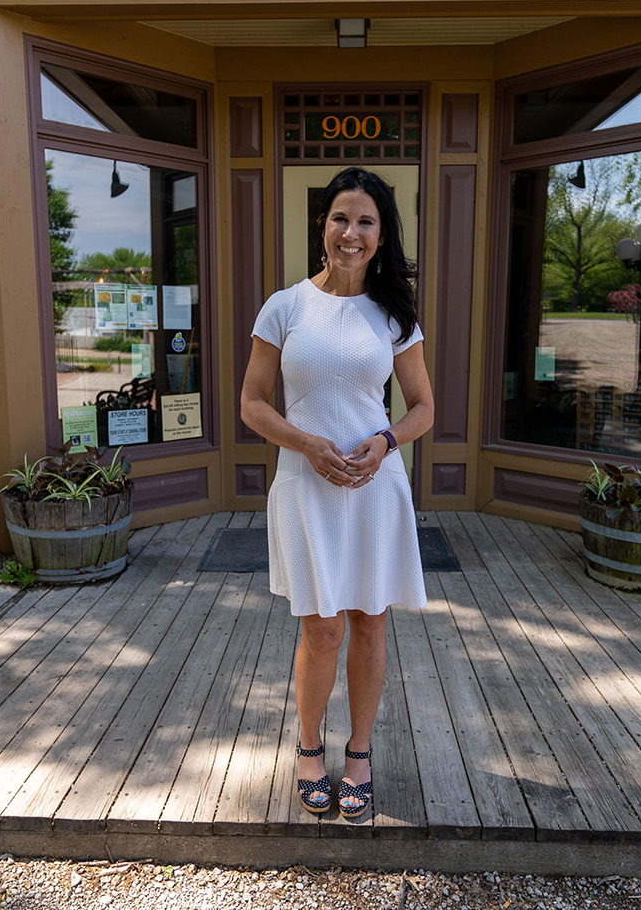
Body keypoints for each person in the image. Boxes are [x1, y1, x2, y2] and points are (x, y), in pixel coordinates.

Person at [240, 166, 434, 820]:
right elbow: (251, 403)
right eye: (340, 218)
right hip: (306, 485)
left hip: (374, 488)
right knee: (321, 628)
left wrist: (385, 441)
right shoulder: (285, 306)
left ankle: (359, 751)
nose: (351, 233)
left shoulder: (394, 314)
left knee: (370, 622)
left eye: (366, 221)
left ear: (381, 235)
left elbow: (424, 407)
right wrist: (305, 443)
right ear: (323, 226)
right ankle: (308, 746)